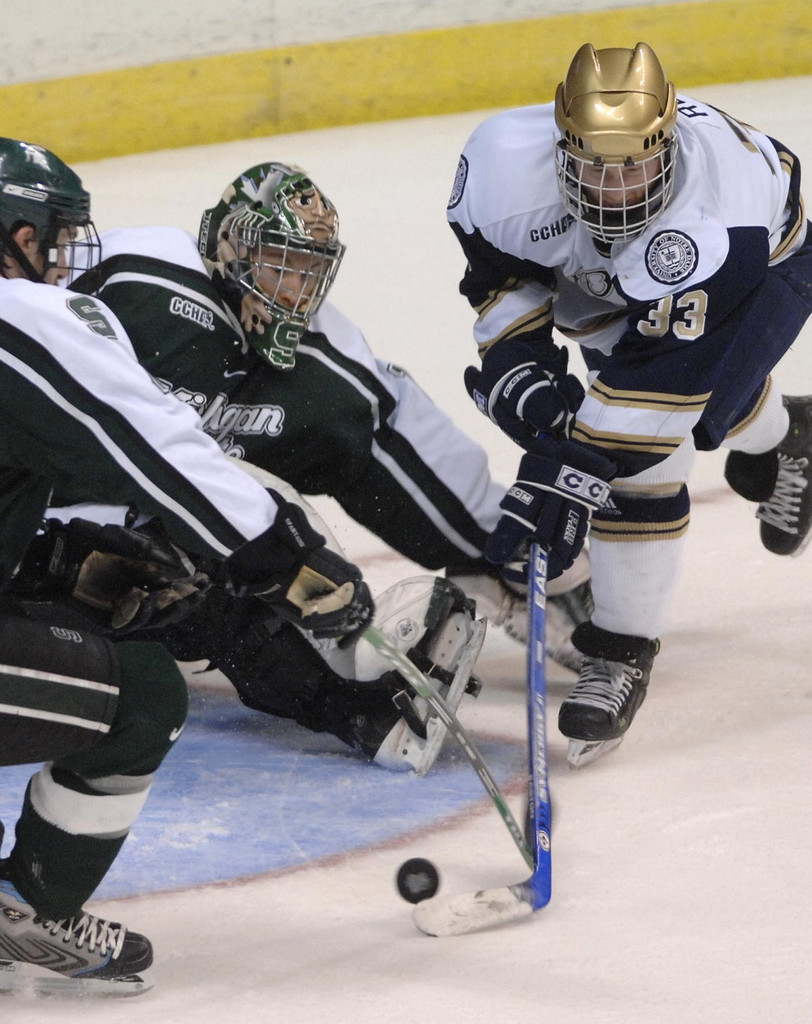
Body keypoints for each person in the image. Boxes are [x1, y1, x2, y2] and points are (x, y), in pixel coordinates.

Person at [50, 160, 594, 769]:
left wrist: (505, 542)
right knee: (212, 567)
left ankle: (489, 585)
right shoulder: (130, 281)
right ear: (228, 245)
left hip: (184, 492)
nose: (295, 290)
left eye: (310, 270)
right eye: (279, 263)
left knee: (314, 467)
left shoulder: (317, 350)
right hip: (62, 500)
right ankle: (353, 700)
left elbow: (391, 427)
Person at [0, 139, 374, 994]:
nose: (63, 261)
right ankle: (29, 903)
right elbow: (150, 446)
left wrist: (55, 557)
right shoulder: (17, 320)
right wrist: (286, 560)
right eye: (50, 239)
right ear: (11, 233)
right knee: (143, 693)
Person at [446, 42, 812, 766]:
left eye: (637, 166)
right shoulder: (497, 165)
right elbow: (502, 283)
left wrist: (570, 467)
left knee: (660, 448)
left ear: (668, 146)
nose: (615, 188)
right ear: (561, 146)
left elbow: (656, 393)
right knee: (632, 418)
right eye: (592, 167)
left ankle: (620, 652)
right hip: (612, 272)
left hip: (765, 267)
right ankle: (791, 436)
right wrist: (529, 384)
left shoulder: (721, 218)